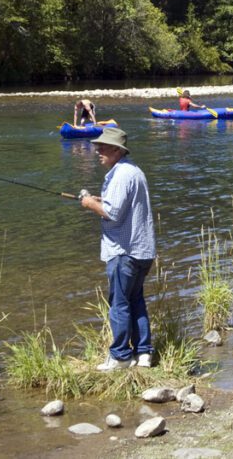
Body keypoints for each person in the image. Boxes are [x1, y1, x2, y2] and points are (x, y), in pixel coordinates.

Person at [79, 127, 156, 371]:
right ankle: (143, 354)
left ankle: (121, 356)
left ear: (117, 149)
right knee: (136, 301)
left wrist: (90, 203)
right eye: (97, 146)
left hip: (124, 251)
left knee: (120, 303)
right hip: (142, 250)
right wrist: (100, 201)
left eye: (102, 146)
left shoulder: (121, 174)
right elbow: (123, 204)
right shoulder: (133, 170)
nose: (98, 150)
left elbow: (112, 213)